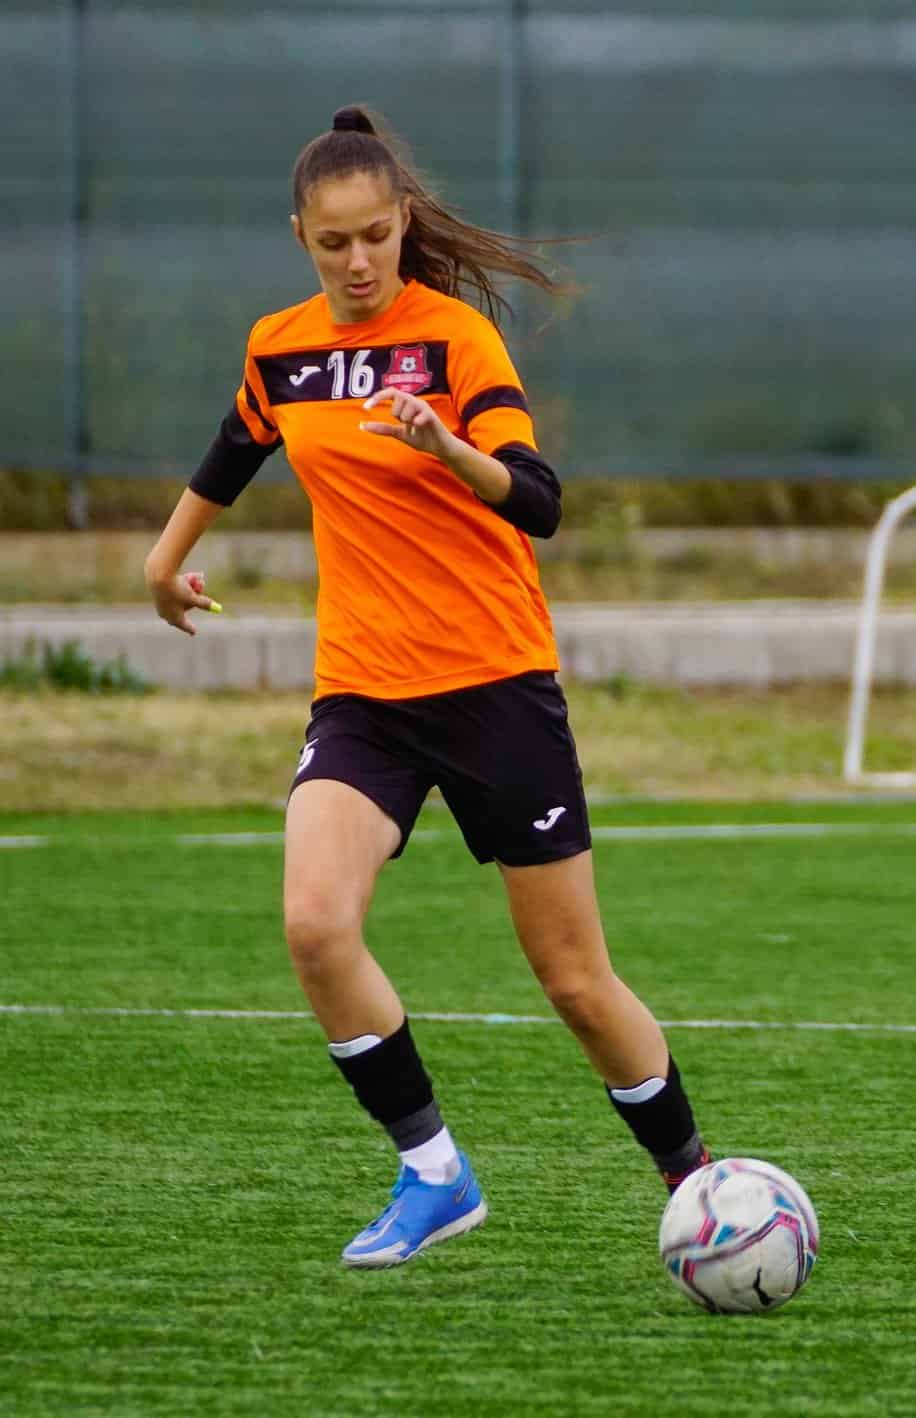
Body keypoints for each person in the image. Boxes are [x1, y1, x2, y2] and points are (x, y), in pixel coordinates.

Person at [143, 105, 712, 1268]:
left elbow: (540, 500)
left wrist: (446, 448)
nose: (358, 264)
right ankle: (433, 1172)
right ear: (300, 235)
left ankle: (701, 1182)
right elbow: (233, 451)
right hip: (363, 695)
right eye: (332, 244)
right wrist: (161, 562)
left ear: (404, 223)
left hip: (498, 686)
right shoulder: (281, 346)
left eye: (376, 238)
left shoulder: (454, 342)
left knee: (572, 978)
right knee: (312, 922)